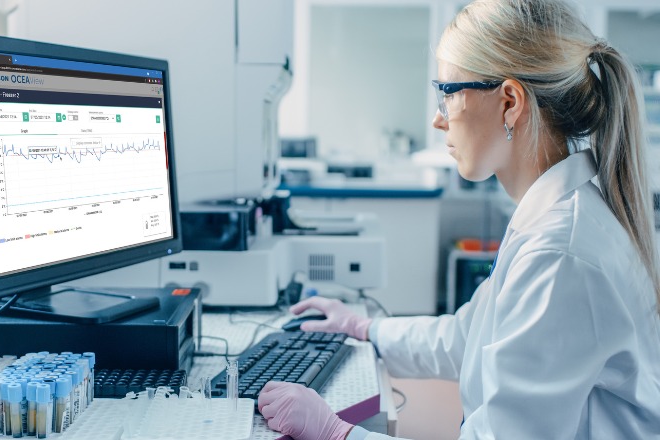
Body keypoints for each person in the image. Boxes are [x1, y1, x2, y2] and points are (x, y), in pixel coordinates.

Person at [257, 0, 660, 438]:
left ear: (510, 102)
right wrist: (365, 328)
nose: (437, 118)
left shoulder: (561, 254)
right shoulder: (552, 217)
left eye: (448, 94)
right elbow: (472, 336)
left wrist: (336, 432)